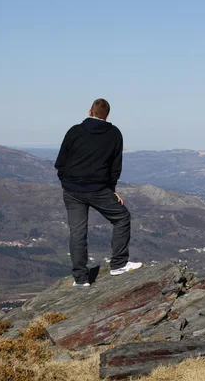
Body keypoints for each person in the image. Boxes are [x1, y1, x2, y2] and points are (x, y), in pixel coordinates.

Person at [55, 98, 142, 286]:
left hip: (71, 189)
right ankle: (118, 265)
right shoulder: (114, 134)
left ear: (89, 112)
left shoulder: (74, 131)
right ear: (107, 115)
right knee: (121, 218)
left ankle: (80, 279)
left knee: (77, 232)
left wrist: (66, 180)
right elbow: (115, 167)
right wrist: (112, 190)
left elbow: (61, 161)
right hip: (98, 189)